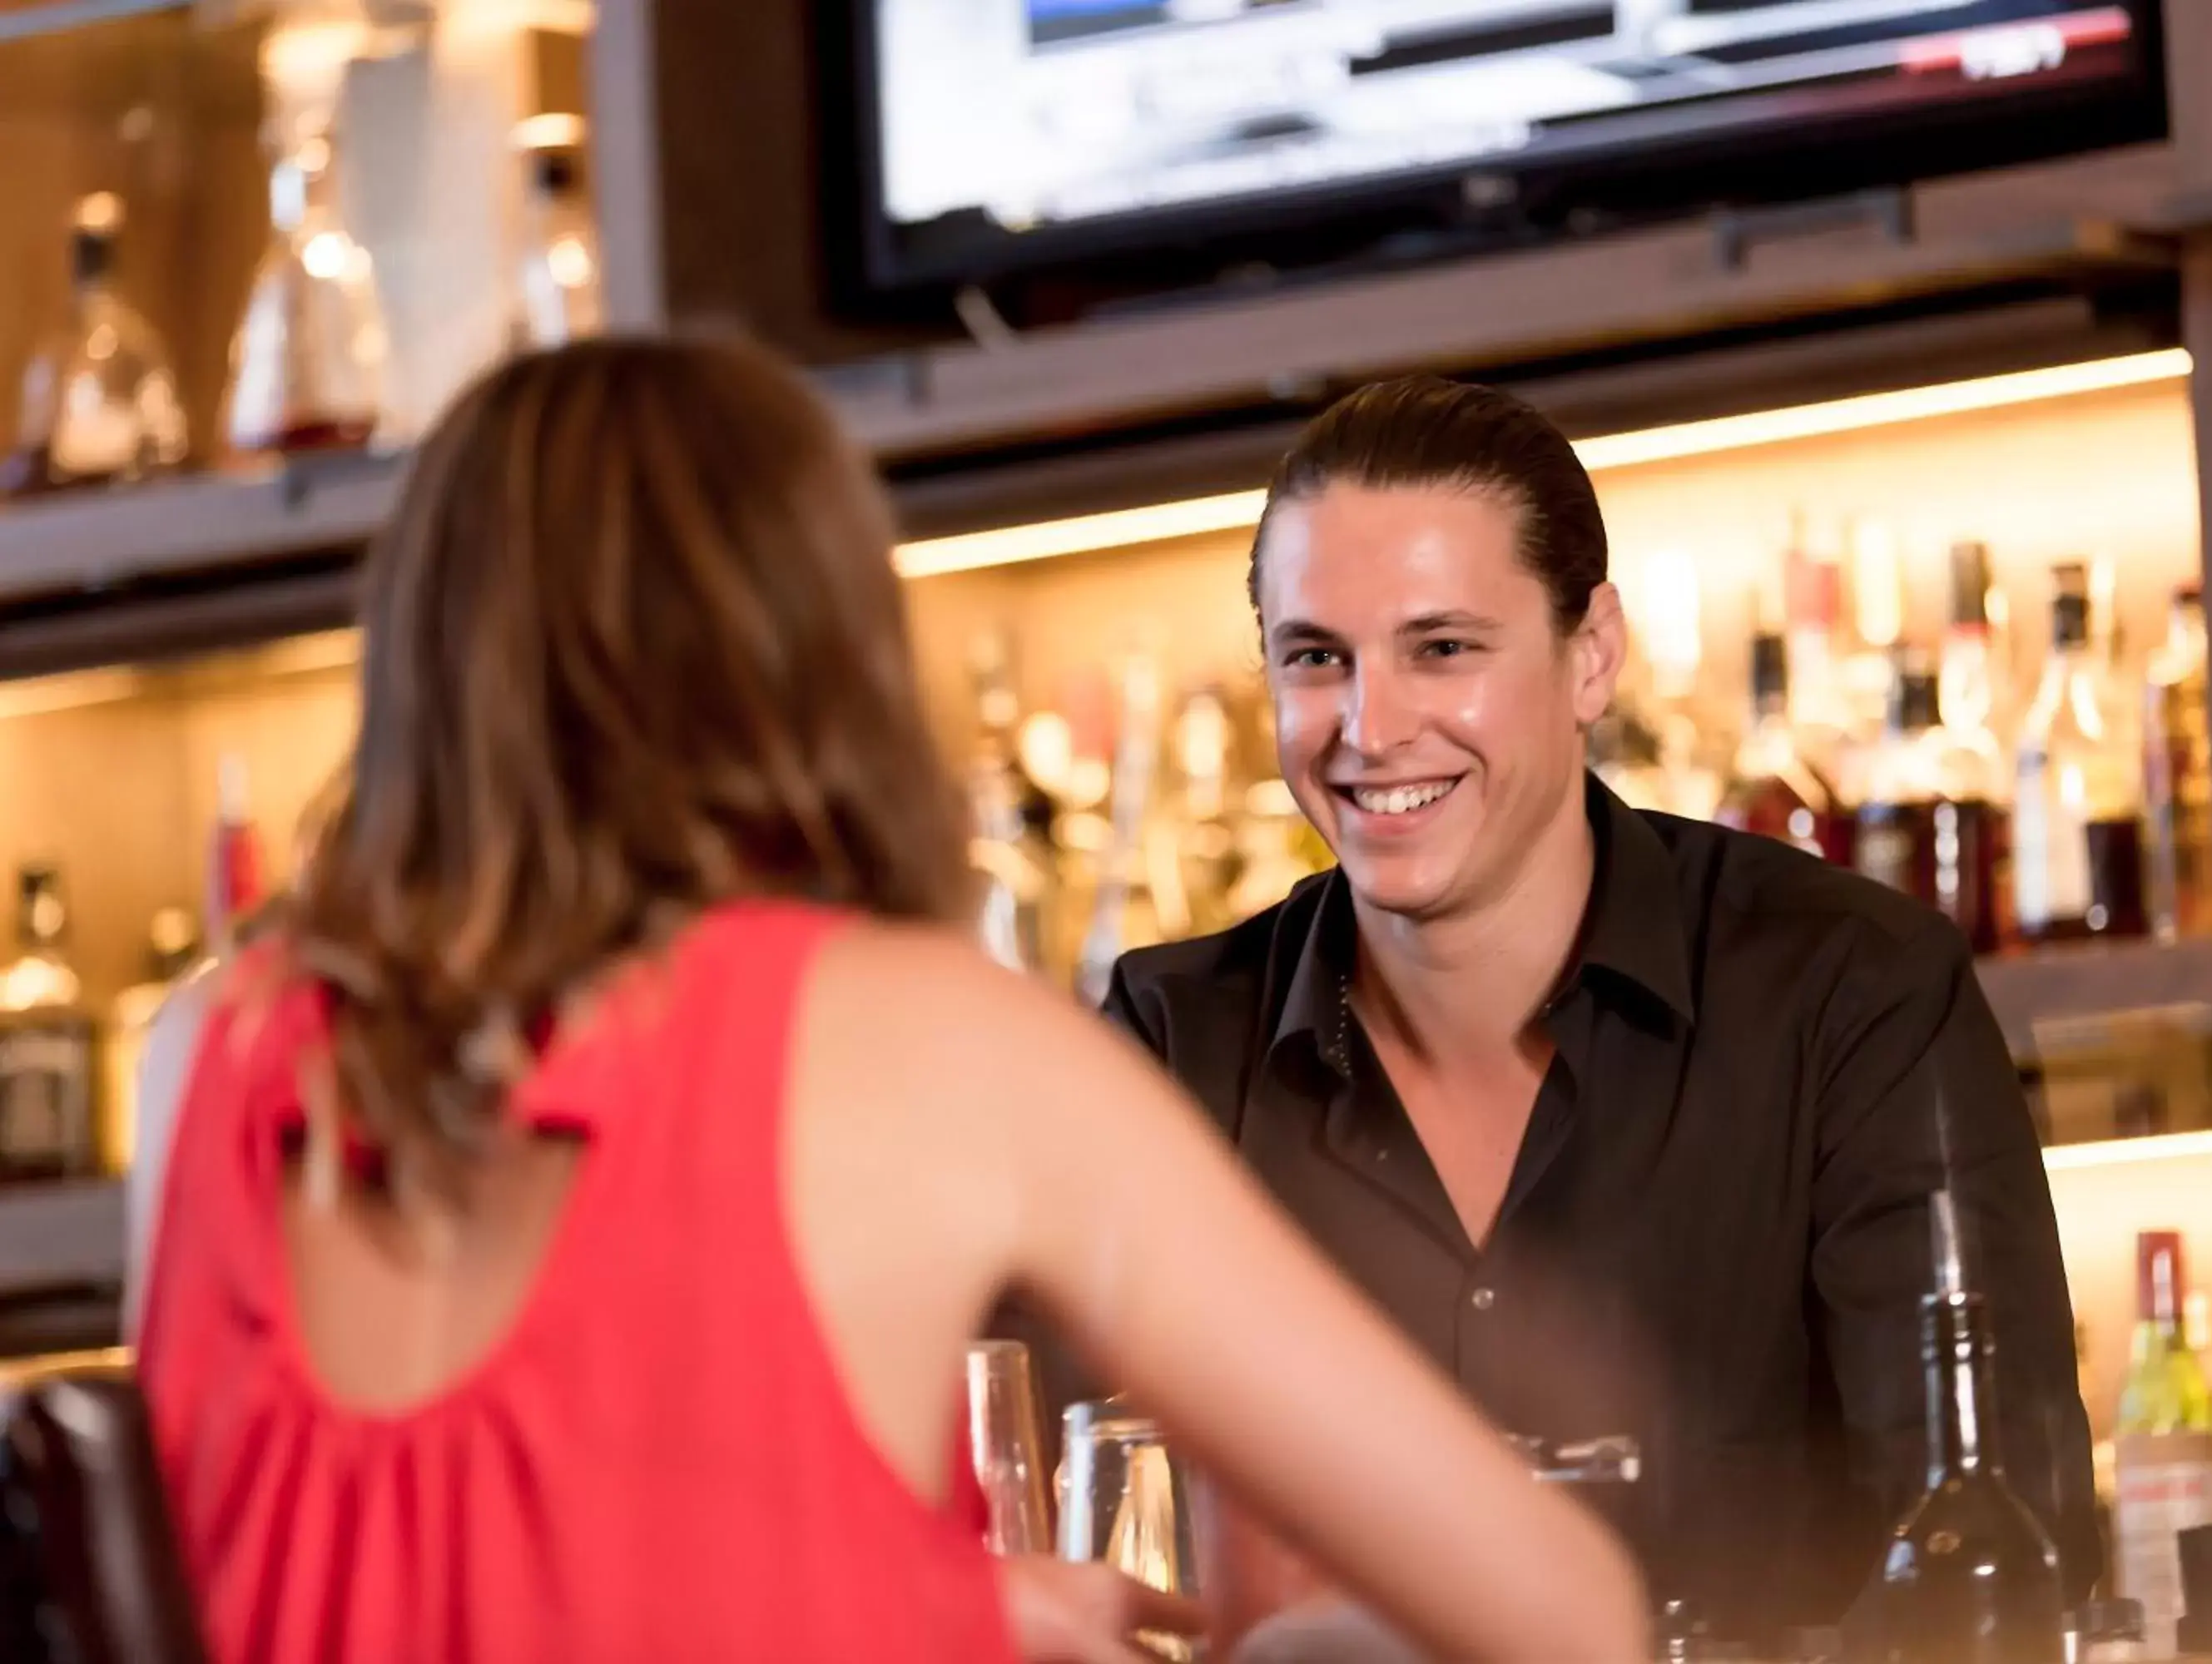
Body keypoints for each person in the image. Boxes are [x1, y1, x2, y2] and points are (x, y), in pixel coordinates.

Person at [124, 339, 1650, 1664]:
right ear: (815, 645)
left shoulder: (207, 1052)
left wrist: (946, 1613)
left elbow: (505, 1584)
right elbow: (1558, 1611)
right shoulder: (927, 1050)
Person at [1099, 375, 2100, 1638]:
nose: (1369, 725)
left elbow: (2001, 1558)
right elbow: (1031, 1532)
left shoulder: (1848, 991)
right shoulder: (1171, 1047)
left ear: (1592, 656)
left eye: (1442, 648)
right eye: (1316, 658)